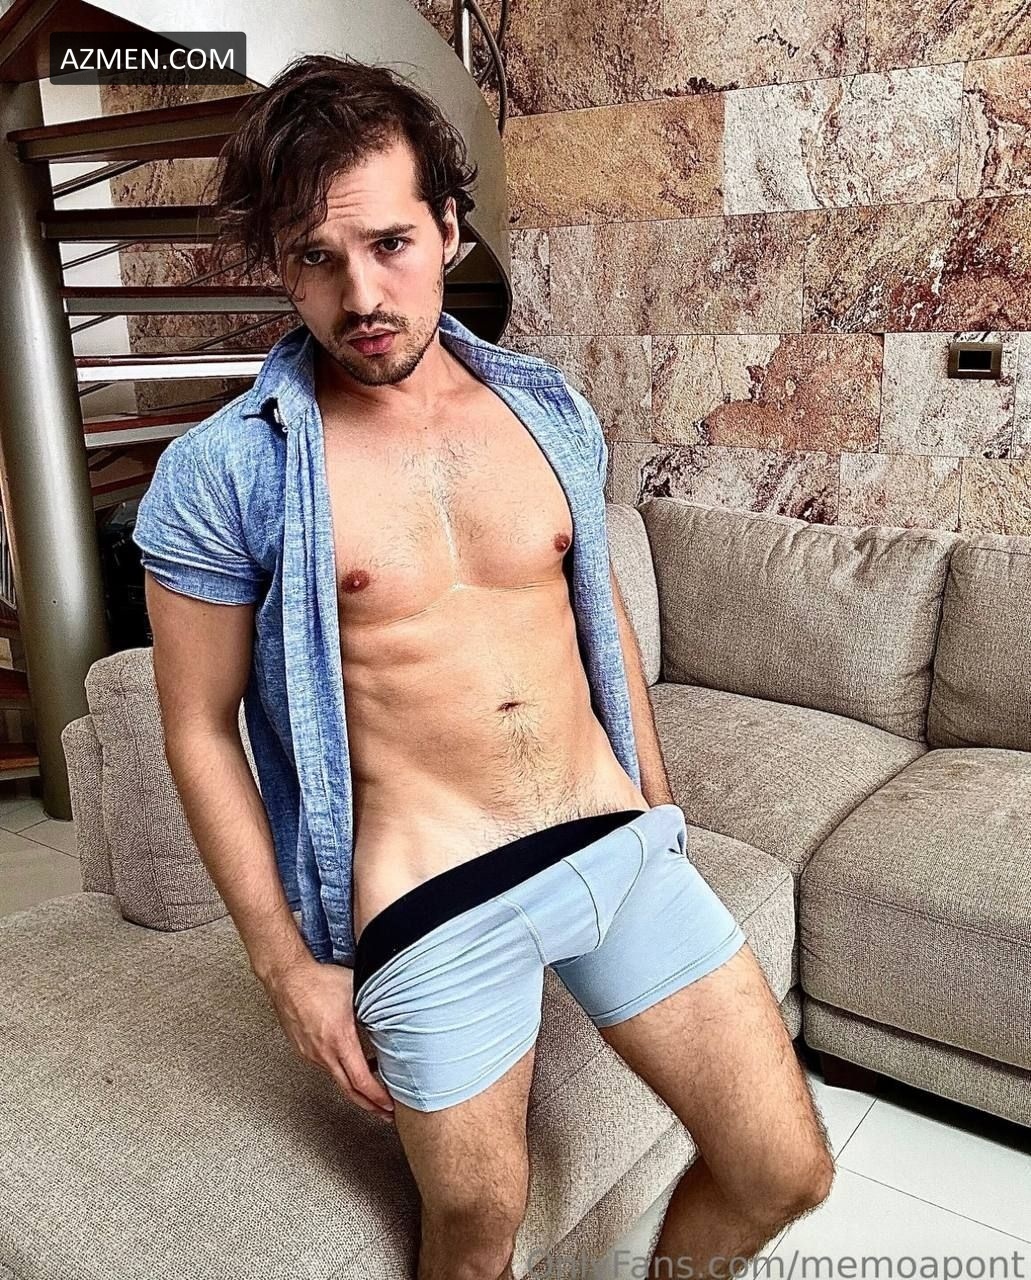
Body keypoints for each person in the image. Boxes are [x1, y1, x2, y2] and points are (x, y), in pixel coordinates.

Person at [133, 52, 833, 1280]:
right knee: (471, 1235)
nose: (360, 292)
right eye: (315, 257)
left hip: (611, 836)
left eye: (390, 243)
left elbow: (592, 612)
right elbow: (197, 723)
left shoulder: (546, 407)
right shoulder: (227, 470)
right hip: (427, 894)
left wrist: (658, 804)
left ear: (449, 229)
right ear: (280, 266)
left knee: (784, 1167)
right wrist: (288, 967)